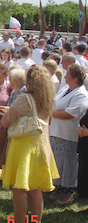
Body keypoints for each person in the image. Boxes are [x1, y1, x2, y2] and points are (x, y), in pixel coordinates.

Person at [0, 65, 58, 223]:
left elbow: (5, 122)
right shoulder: (47, 98)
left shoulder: (25, 98)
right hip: (40, 145)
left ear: (30, 80)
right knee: (35, 188)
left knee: (20, 189)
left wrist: (5, 114)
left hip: (23, 147)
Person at [49, 64, 88, 205]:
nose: (65, 76)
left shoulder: (81, 93)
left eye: (68, 74)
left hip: (69, 135)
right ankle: (58, 187)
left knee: (68, 163)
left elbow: (69, 113)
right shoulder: (66, 89)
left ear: (75, 77)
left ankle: (68, 191)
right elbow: (54, 103)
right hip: (56, 132)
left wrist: (50, 113)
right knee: (58, 162)